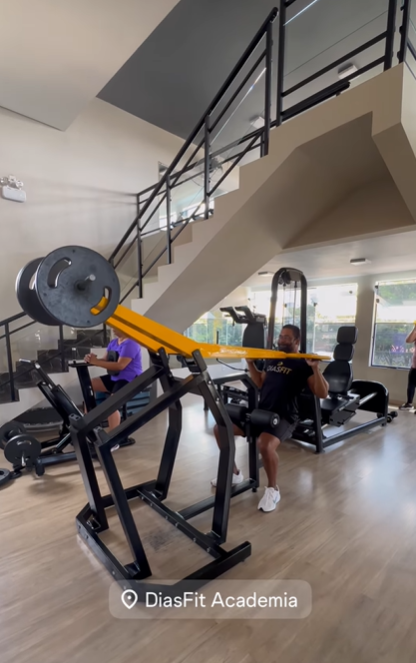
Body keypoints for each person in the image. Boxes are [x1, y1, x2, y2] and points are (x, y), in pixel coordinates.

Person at [211, 324, 329, 513]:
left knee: (265, 445)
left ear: (297, 341)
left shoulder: (303, 363)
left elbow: (322, 393)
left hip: (285, 416)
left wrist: (315, 369)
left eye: (286, 337)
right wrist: (250, 363)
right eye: (280, 336)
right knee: (220, 429)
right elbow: (259, 382)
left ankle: (273, 490)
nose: (281, 340)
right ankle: (234, 474)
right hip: (262, 412)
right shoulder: (273, 358)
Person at [84, 328, 143, 431]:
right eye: (112, 327)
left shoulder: (131, 343)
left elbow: (120, 366)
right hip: (115, 377)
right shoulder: (113, 342)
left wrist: (96, 362)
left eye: (115, 327)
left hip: (130, 380)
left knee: (111, 405)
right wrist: (92, 359)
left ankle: (113, 436)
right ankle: (87, 421)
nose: (113, 329)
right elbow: (105, 360)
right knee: (89, 385)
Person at [399, 323, 416, 410]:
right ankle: (409, 404)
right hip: (414, 366)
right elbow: (408, 340)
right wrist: (415, 329)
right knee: (411, 385)